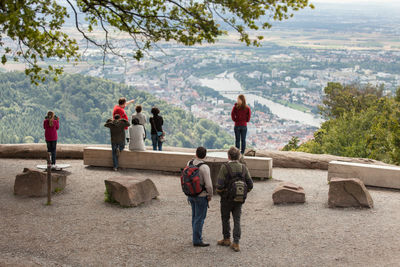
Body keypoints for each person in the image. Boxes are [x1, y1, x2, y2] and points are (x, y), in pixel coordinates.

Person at [216, 146, 253, 252]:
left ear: (228, 156)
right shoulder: (243, 167)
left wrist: (222, 194)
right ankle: (236, 243)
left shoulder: (225, 167)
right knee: (237, 220)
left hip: (226, 198)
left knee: (225, 218)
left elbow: (219, 185)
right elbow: (250, 185)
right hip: (239, 199)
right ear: (239, 156)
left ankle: (226, 239)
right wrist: (242, 193)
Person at [186, 147, 213, 247]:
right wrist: (210, 195)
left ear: (196, 153)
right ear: (205, 155)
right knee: (200, 218)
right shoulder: (205, 167)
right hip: (201, 195)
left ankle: (195, 236)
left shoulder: (189, 163)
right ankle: (197, 240)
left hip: (191, 193)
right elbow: (209, 185)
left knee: (194, 216)